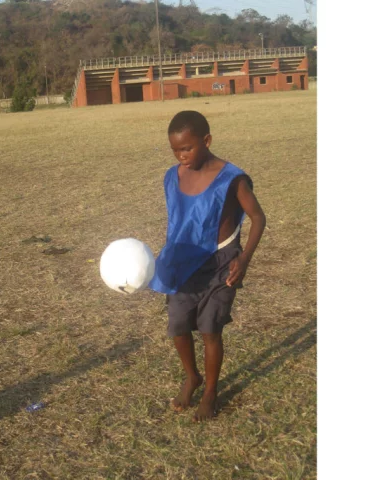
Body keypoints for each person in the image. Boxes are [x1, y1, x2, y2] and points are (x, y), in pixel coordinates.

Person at [148, 110, 266, 422]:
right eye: (175, 150)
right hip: (183, 263)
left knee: (210, 328)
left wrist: (244, 258)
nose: (181, 156)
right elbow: (178, 220)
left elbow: (258, 218)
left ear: (207, 140)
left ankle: (211, 391)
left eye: (186, 148)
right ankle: (192, 377)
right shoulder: (172, 177)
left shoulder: (232, 179)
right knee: (177, 325)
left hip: (221, 264)